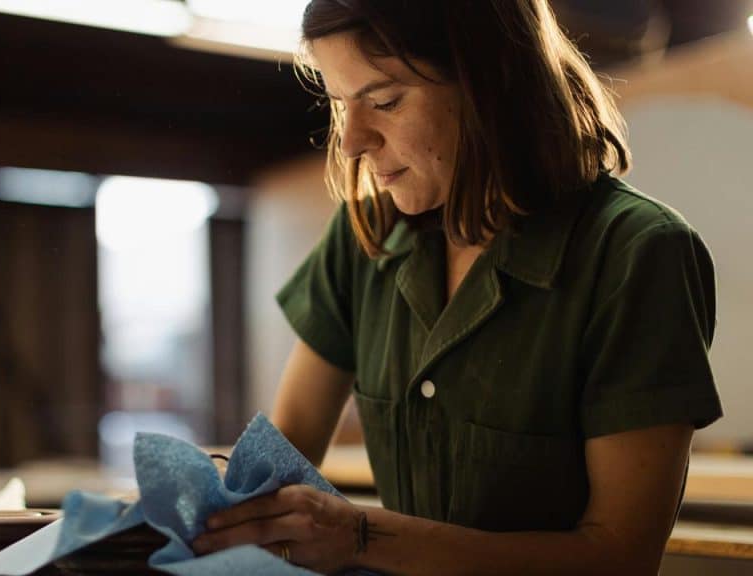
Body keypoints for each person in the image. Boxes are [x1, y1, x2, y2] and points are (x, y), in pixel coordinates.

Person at [190, 0, 723, 574]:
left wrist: (363, 536)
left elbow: (620, 556)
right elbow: (275, 468)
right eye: (341, 105)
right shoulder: (364, 240)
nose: (351, 143)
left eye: (385, 101)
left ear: (489, 83)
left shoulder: (635, 253)